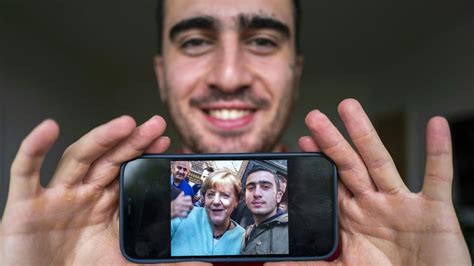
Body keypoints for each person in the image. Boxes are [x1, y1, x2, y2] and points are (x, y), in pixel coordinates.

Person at [0, 0, 470, 265]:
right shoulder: (110, 238)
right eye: (197, 40)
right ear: (162, 74)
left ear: (296, 70)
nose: (228, 75)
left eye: (263, 40)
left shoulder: (361, 240)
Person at [171, 169, 245, 256]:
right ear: (204, 198)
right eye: (211, 194)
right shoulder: (184, 214)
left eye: (225, 195)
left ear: (236, 201)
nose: (216, 201)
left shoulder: (243, 238)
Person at [241, 167, 288, 255]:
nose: (256, 194)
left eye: (266, 187)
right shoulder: (247, 232)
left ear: (279, 196)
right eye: (251, 188)